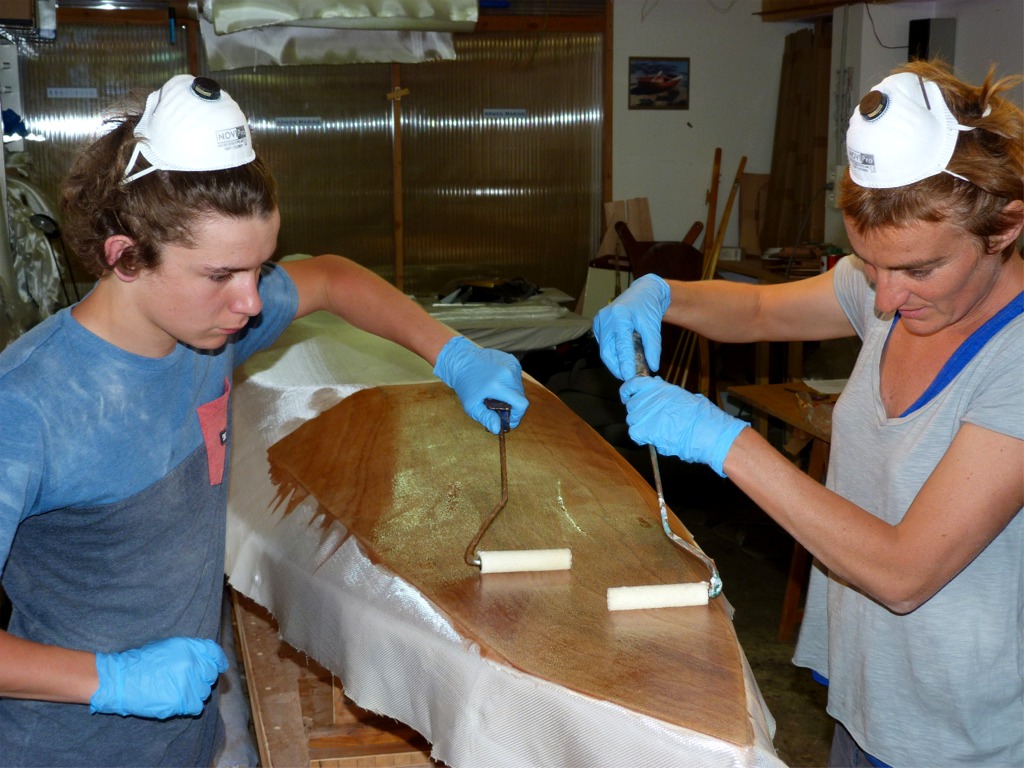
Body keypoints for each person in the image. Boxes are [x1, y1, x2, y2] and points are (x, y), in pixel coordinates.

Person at [0, 74, 529, 766]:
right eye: (222, 275)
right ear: (125, 256)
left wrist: (453, 354)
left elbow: (333, 278)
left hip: (189, 743)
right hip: (68, 750)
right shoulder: (26, 406)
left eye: (260, 268)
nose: (251, 302)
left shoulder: (207, 331)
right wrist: (109, 680)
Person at [593, 59, 1022, 767]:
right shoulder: (897, 287)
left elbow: (904, 572)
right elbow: (760, 308)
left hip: (959, 734)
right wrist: (659, 292)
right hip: (870, 694)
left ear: (1004, 227)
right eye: (867, 263)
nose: (884, 298)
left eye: (917, 270)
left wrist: (726, 441)